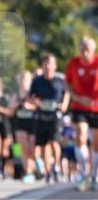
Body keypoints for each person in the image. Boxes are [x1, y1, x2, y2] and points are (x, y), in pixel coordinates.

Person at [64, 35, 98, 191]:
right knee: (81, 136)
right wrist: (78, 98)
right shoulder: (73, 63)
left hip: (96, 107)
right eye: (82, 49)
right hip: (79, 106)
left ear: (93, 50)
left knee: (96, 143)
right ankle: (83, 174)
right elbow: (67, 84)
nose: (85, 53)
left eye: (88, 50)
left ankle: (94, 175)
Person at [30, 54, 66, 183]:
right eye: (46, 63)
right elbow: (31, 96)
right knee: (44, 145)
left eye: (50, 63)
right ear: (42, 65)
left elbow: (67, 92)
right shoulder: (37, 80)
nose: (48, 66)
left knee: (54, 142)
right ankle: (48, 171)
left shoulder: (60, 80)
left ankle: (56, 167)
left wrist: (65, 104)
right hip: (41, 115)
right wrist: (35, 101)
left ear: (55, 66)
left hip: (55, 115)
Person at [10, 70, 37, 182]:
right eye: (22, 79)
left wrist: (29, 106)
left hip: (33, 123)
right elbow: (11, 110)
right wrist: (17, 104)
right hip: (20, 123)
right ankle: (28, 172)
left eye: (25, 79)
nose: (23, 81)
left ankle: (34, 166)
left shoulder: (34, 92)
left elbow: (38, 106)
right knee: (23, 148)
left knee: (32, 149)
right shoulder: (15, 94)